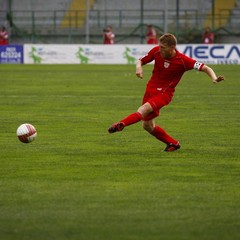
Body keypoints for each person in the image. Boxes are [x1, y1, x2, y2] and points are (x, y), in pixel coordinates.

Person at [108, 33, 224, 152]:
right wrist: (139, 68)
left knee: (142, 110)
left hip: (164, 94)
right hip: (150, 90)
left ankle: (121, 124)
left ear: (172, 48)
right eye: (159, 46)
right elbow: (140, 61)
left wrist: (214, 78)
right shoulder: (156, 51)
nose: (160, 49)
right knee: (148, 126)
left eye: (163, 47)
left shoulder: (183, 60)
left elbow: (205, 67)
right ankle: (173, 143)